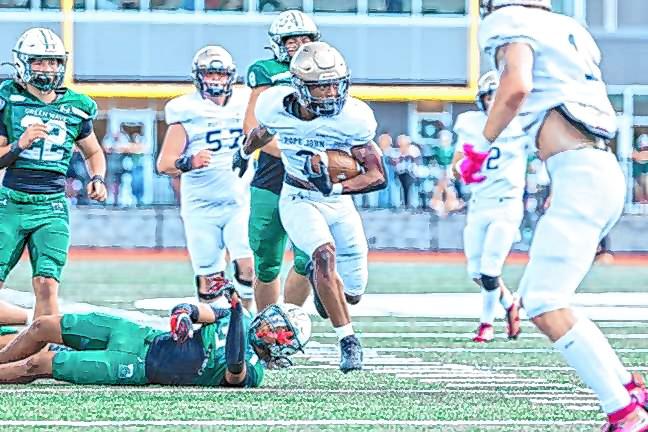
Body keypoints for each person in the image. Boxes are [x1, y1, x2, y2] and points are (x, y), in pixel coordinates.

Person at [460, 1, 648, 430]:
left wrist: (483, 143)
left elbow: (516, 86)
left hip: (580, 172)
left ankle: (625, 413)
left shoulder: (509, 21)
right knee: (545, 297)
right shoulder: (566, 28)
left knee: (546, 303)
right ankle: (629, 390)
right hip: (592, 171)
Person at [236, 41, 386, 373]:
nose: (332, 93)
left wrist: (335, 185)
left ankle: (328, 293)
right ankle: (348, 340)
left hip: (338, 201)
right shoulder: (274, 105)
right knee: (323, 254)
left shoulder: (354, 117)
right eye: (321, 86)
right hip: (297, 196)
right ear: (300, 87)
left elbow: (377, 175)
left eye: (336, 83)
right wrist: (244, 152)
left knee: (355, 292)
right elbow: (262, 133)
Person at [0, 278, 311, 386]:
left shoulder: (254, 372)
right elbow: (192, 309)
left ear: (282, 344)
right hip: (138, 335)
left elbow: (233, 367)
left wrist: (234, 313)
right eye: (275, 319)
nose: (271, 326)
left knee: (38, 365)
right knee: (43, 326)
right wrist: (182, 317)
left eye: (279, 328)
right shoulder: (236, 316)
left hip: (135, 367)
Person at [0, 28, 107, 320]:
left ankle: (41, 358)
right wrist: (19, 144)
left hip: (52, 205)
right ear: (23, 62)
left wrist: (97, 178)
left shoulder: (77, 107)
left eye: (53, 62)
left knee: (47, 285)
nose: (48, 69)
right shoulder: (8, 99)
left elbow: (93, 152)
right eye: (39, 61)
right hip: (10, 202)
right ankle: (24, 325)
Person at [234, 10, 320, 311]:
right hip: (273, 174)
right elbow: (251, 127)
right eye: (291, 39)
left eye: (304, 38)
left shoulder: (325, 69)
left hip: (311, 176)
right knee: (267, 260)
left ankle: (289, 321)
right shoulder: (266, 70)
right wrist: (292, 153)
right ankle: (267, 328)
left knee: (309, 257)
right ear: (278, 43)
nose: (298, 44)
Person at [157, 46, 255, 309]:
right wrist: (189, 161)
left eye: (221, 74)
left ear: (231, 76)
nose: (216, 80)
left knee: (247, 264)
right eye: (209, 73)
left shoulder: (246, 101)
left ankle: (248, 326)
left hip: (240, 201)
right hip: (201, 206)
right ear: (198, 77)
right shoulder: (185, 109)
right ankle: (216, 334)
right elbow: (164, 163)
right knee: (209, 278)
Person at [451, 71, 527, 343]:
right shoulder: (470, 123)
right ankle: (509, 303)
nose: (494, 101)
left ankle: (486, 325)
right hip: (479, 203)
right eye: (489, 95)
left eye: (499, 95)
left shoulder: (522, 124)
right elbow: (456, 164)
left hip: (507, 203)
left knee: (490, 268)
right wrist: (463, 170)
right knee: (476, 272)